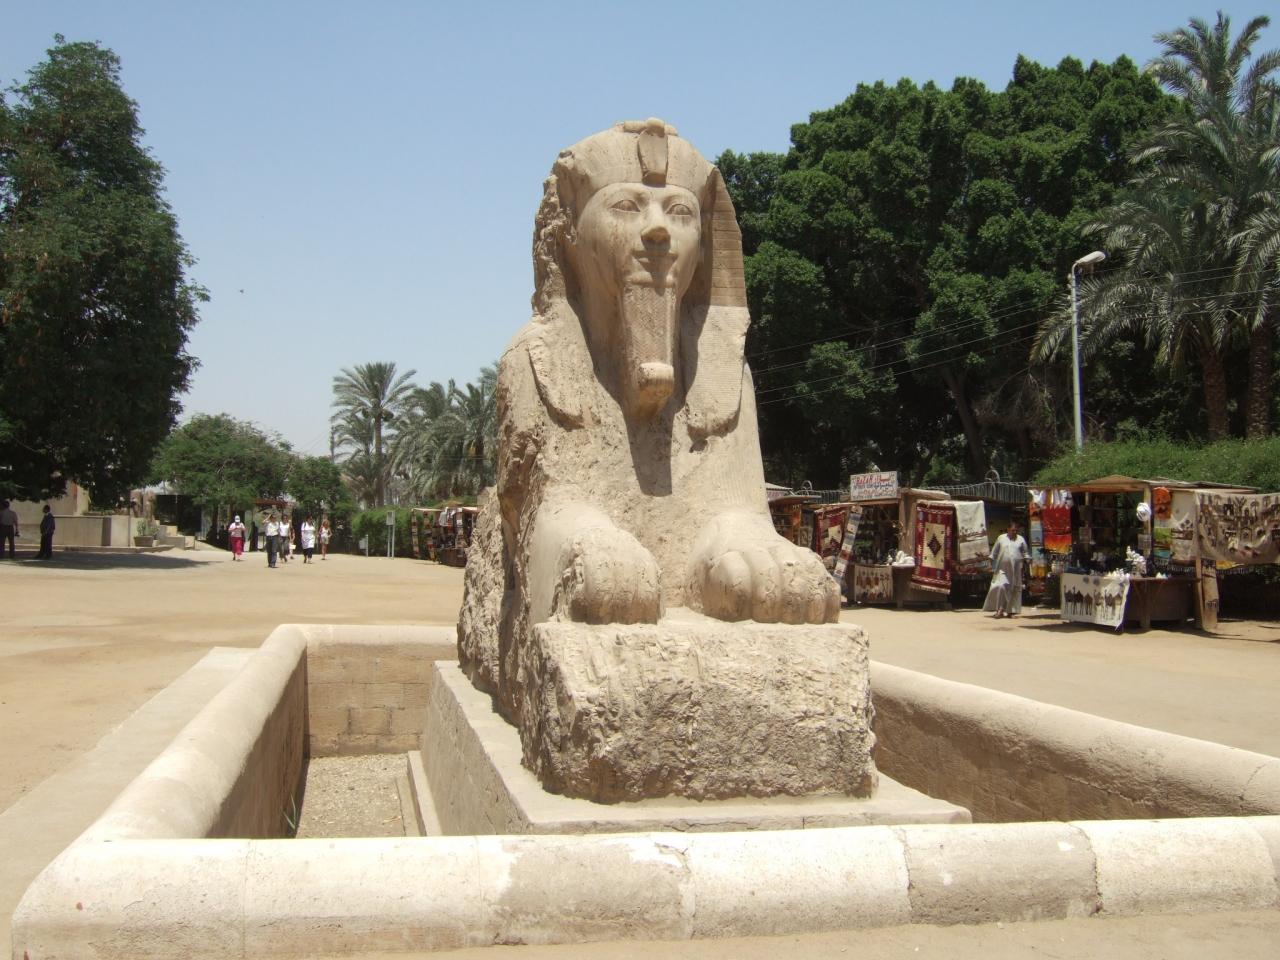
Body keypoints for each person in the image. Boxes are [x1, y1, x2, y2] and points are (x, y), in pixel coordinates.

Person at [984, 521, 1030, 618]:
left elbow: (1025, 553)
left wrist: (1028, 560)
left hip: (1016, 569)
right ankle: (999, 610)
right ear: (1008, 530)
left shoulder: (1020, 539)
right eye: (1013, 530)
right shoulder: (1001, 538)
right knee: (1001, 587)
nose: (1014, 532)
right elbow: (994, 553)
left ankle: (1011, 612)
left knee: (1014, 588)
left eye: (1016, 530)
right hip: (1002, 569)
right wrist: (989, 564)